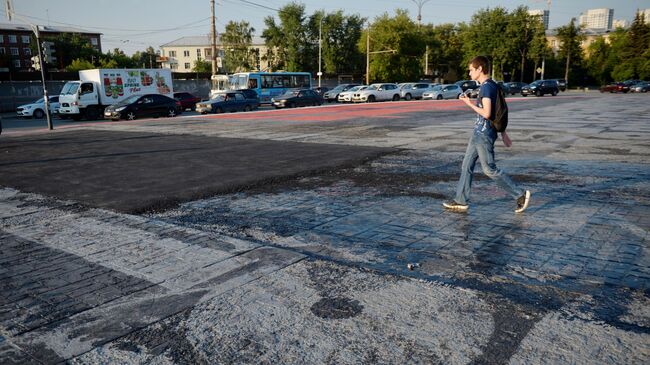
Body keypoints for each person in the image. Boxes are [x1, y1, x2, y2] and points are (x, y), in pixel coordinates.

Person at [443, 55, 531, 213]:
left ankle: (520, 194)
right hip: (478, 133)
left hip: (484, 135)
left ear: (480, 69)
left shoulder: (486, 87)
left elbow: (487, 113)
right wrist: (503, 133)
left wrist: (468, 103)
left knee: (489, 169)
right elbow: (498, 111)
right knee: (466, 166)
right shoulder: (491, 85)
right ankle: (461, 200)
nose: (469, 73)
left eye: (471, 70)